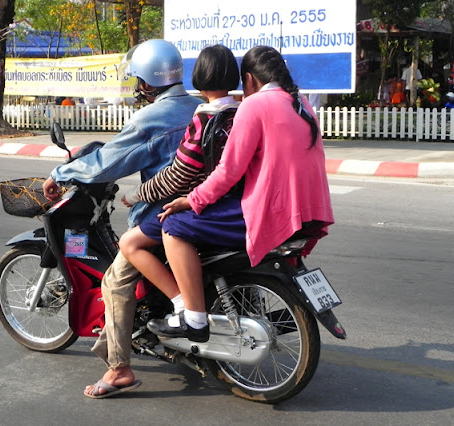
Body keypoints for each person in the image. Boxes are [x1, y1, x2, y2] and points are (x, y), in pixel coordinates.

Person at [42, 39, 204, 398]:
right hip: (208, 210)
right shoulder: (199, 107)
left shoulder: (151, 117)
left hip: (165, 215)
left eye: (138, 80)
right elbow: (118, 147)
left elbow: (109, 162)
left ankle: (119, 370)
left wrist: (61, 172)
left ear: (147, 81)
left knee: (115, 282)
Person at [146, 45, 335, 342]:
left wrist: (190, 200)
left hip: (274, 210)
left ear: (248, 79)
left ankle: (193, 318)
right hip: (311, 213)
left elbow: (228, 171)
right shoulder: (302, 104)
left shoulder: (255, 105)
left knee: (173, 226)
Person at [118, 44, 240, 318]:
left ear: (199, 76)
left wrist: (137, 194)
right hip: (232, 203)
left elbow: (179, 175)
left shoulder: (206, 118)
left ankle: (184, 305)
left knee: (130, 243)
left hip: (202, 205)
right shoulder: (241, 114)